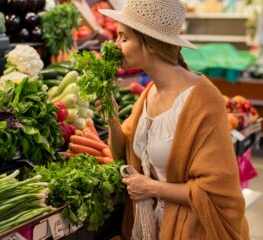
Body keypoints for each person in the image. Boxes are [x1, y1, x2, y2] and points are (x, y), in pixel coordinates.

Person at [95, 0, 250, 239]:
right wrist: (112, 118)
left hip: (190, 231)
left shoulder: (204, 100)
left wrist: (151, 187)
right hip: (151, 228)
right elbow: (122, 154)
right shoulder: (150, 93)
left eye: (124, 38)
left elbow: (218, 191)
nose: (115, 46)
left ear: (151, 45)